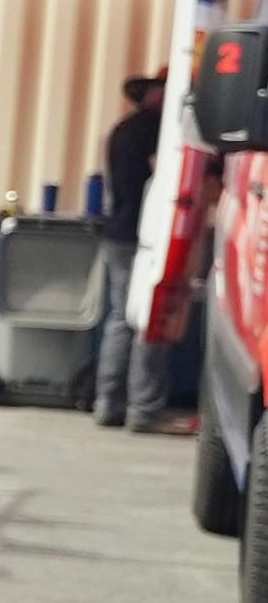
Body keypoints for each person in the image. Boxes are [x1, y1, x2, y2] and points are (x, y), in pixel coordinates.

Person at [94, 72, 190, 434]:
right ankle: (144, 408)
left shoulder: (123, 128)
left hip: (118, 233)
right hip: (146, 236)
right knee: (151, 317)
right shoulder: (159, 132)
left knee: (120, 319)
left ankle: (109, 403)